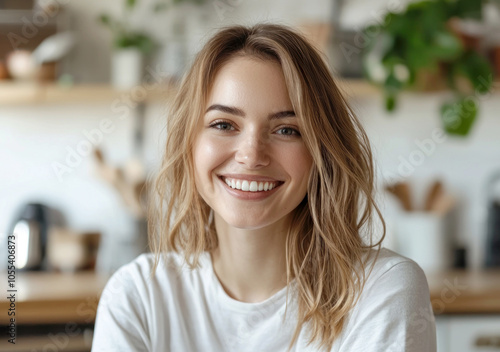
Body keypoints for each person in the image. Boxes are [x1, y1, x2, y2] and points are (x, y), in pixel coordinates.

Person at [91, 23, 437, 352]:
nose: (251, 155)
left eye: (287, 129)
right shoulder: (138, 295)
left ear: (323, 152)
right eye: (224, 124)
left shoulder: (381, 290)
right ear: (189, 144)